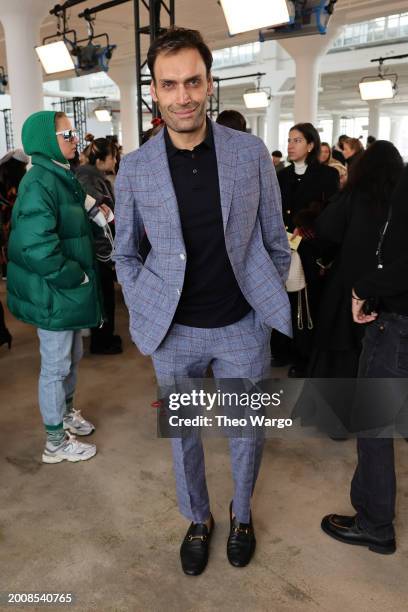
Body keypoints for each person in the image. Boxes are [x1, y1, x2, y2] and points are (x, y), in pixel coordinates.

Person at [114, 27, 291, 576]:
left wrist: (263, 300)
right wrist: (148, 305)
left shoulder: (249, 153)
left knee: (246, 431)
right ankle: (199, 517)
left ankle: (241, 515)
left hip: (241, 324)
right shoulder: (137, 167)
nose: (183, 95)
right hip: (174, 332)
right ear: (155, 91)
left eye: (193, 81)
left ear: (209, 83)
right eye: (170, 84)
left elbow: (274, 241)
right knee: (183, 437)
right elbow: (125, 255)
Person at [321, 163, 408, 555]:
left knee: (374, 427)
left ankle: (375, 524)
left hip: (398, 324)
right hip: (394, 317)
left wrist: (364, 286)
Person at [7, 111, 103, 463]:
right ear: (49, 141)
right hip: (55, 289)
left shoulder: (60, 175)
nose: (75, 138)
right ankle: (54, 443)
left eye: (73, 132)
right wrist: (72, 276)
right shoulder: (40, 182)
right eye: (68, 134)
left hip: (66, 291)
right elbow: (36, 246)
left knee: (71, 357)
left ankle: (65, 416)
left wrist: (99, 211)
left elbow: (77, 206)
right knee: (55, 366)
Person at [271, 123, 339, 376]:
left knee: (306, 301)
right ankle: (281, 348)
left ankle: (304, 355)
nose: (290, 145)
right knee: (282, 299)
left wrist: (306, 229)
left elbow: (330, 212)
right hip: (283, 246)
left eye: (297, 140)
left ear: (311, 145)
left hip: (310, 247)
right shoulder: (281, 175)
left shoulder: (326, 175)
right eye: (289, 140)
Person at [75, 136, 122, 355]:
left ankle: (103, 339)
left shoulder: (90, 177)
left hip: (97, 249)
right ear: (102, 159)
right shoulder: (89, 181)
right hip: (97, 250)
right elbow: (97, 221)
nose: (115, 161)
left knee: (103, 295)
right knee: (103, 296)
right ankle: (102, 342)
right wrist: (107, 254)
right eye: (113, 157)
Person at [0, 149, 29, 279]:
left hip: (11, 214)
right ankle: (6, 270)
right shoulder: (2, 173)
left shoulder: (18, 174)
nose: (24, 169)